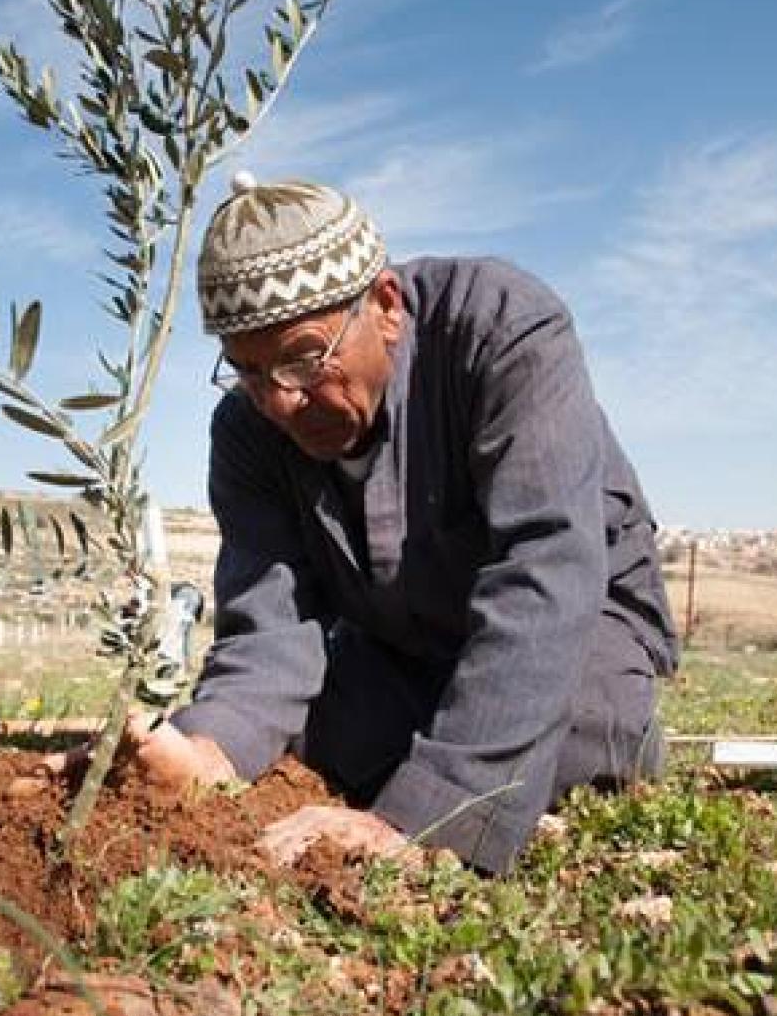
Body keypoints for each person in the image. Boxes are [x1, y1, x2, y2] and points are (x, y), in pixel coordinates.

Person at [132, 175, 679, 874]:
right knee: (305, 734)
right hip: (400, 647)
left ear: (385, 307)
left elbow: (547, 568)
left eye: (303, 358)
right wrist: (205, 749)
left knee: (588, 723)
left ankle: (546, 753)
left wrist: (420, 822)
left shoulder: (506, 332)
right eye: (247, 370)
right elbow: (271, 631)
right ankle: (452, 745)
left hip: (577, 624)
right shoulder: (245, 430)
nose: (280, 402)